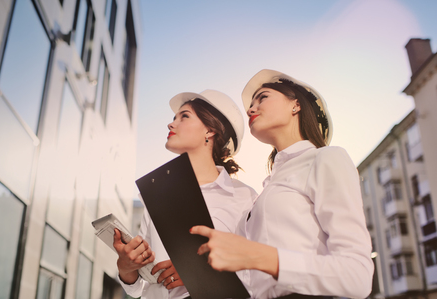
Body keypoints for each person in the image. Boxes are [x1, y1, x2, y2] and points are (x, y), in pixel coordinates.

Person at [190, 69, 374, 299]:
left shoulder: (326, 158)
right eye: (251, 104)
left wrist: (258, 256)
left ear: (295, 105)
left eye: (263, 97)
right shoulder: (264, 195)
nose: (250, 109)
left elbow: (358, 276)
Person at [113, 90, 258, 299]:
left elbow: (261, 275)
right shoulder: (157, 195)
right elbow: (140, 288)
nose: (171, 124)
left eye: (184, 116)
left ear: (210, 130)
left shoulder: (245, 198)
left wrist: (201, 274)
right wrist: (127, 268)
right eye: (174, 118)